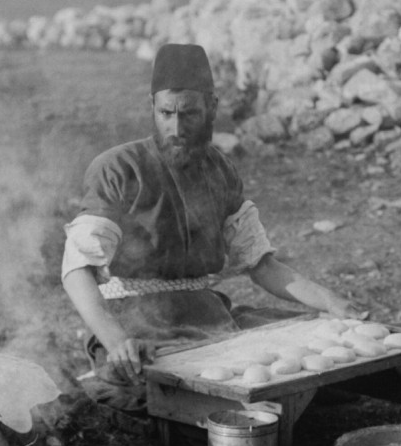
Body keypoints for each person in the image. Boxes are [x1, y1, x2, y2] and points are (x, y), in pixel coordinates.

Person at [62, 43, 363, 412]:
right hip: (139, 325)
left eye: (189, 114)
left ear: (213, 109)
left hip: (208, 319)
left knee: (316, 352)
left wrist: (333, 301)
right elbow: (77, 269)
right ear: (151, 108)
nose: (176, 127)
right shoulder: (118, 169)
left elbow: (262, 265)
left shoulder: (220, 171)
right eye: (166, 113)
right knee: (156, 395)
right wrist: (116, 341)